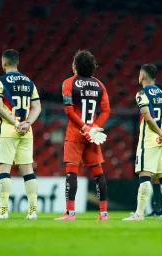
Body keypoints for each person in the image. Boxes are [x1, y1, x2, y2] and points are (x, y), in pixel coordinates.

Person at [56, 50, 110, 221]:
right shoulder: (100, 85)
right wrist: (94, 128)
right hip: (92, 135)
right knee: (98, 173)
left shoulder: (68, 83)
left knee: (72, 171)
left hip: (75, 133)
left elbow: (69, 111)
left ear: (76, 65)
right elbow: (106, 111)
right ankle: (103, 213)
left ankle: (70, 213)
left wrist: (84, 128)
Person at [0, 49, 41, 220]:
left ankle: (3, 211)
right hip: (27, 131)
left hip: (7, 129)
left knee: (4, 169)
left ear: (3, 63)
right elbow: (37, 107)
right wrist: (27, 123)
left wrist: (16, 123)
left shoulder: (0, 81)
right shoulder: (29, 82)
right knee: (27, 170)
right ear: (17, 63)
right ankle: (33, 211)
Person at [123, 64, 162, 221]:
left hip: (150, 138)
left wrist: (159, 133)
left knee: (145, 175)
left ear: (142, 76)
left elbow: (147, 117)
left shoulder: (141, 94)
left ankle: (139, 214)